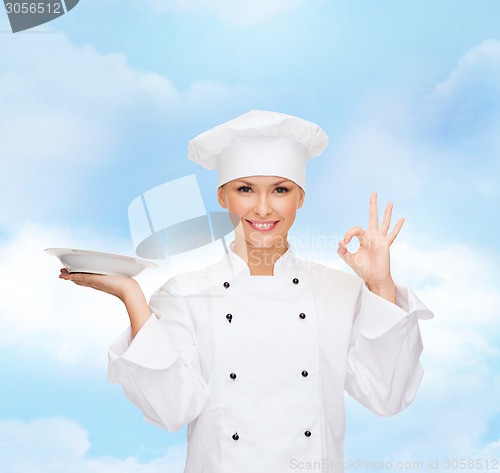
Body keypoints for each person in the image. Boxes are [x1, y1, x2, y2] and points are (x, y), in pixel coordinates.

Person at [59, 110, 434, 473]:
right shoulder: (186, 294)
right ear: (223, 197)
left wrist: (380, 284)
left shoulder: (339, 291)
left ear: (301, 197)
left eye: (281, 190)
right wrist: (131, 295)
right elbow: (172, 409)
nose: (263, 207)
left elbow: (386, 397)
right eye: (245, 189)